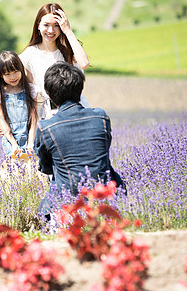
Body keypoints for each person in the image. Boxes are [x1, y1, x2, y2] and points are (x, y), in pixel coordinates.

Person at [35, 62, 125, 215]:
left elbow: (45, 167)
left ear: (50, 95)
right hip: (105, 195)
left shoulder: (46, 127)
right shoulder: (101, 117)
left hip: (69, 203)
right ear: (80, 89)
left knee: (43, 208)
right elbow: (103, 150)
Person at [19, 3, 90, 119]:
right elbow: (23, 90)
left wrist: (67, 30)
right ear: (38, 25)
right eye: (46, 25)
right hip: (49, 116)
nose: (51, 30)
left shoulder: (69, 50)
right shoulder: (30, 54)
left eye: (56, 25)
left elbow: (84, 63)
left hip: (75, 111)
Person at [0, 51, 38, 157]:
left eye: (15, 71)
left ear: (21, 69)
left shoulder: (30, 90)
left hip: (31, 138)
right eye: (7, 74)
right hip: (10, 142)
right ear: (1, 75)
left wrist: (31, 142)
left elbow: (33, 119)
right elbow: (2, 122)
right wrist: (13, 144)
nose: (13, 77)